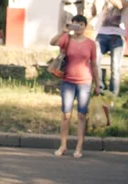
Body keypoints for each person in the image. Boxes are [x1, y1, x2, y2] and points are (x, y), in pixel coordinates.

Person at [49, 15, 99, 159]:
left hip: (85, 81)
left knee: (82, 115)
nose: (78, 27)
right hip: (68, 81)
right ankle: (63, 145)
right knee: (66, 114)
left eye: (81, 24)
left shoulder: (90, 44)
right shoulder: (67, 39)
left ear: (85, 26)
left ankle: (79, 147)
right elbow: (52, 42)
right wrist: (63, 31)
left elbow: (94, 64)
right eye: (75, 24)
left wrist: (97, 84)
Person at [93, 0, 128, 96]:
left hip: (118, 33)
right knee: (95, 61)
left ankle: (113, 95)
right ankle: (100, 89)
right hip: (102, 32)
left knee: (115, 66)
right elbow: (96, 10)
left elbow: (120, 5)